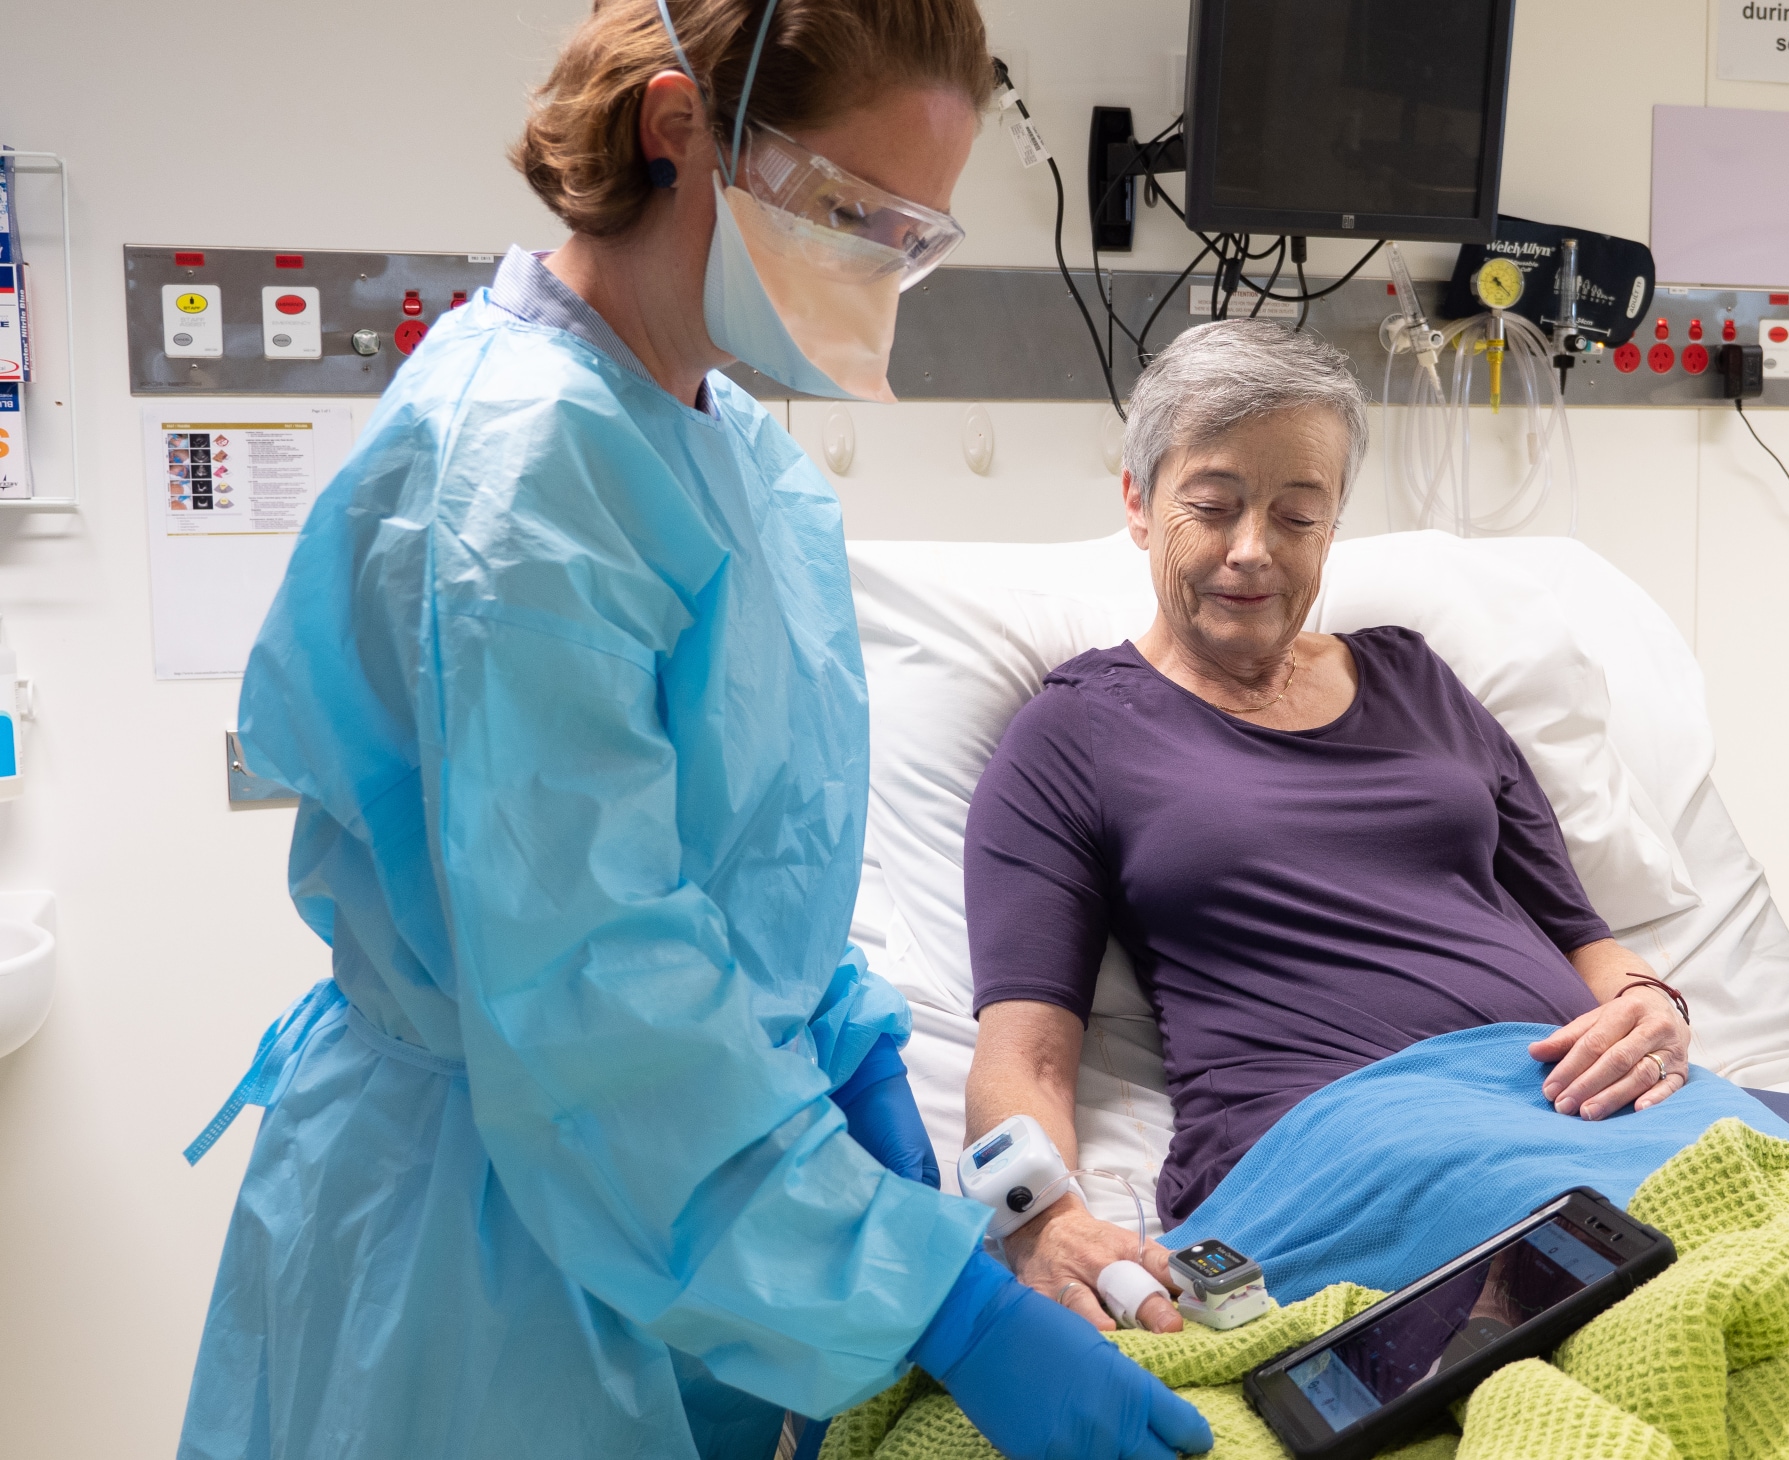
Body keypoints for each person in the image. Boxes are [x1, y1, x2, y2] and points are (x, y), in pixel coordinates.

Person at [175, 4, 1210, 1459]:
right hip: (488, 1252)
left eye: (916, 233)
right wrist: (944, 1312)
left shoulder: (730, 456)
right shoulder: (523, 474)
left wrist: (861, 1083)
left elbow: (761, 870)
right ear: (678, 132)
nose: (882, 267)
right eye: (856, 211)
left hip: (689, 1190)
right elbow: (596, 999)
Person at [963, 319, 1695, 1333]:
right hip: (1352, 1140)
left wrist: (1656, 1009)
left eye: (1297, 514)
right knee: (1639, 1315)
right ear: (1138, 502)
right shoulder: (1075, 734)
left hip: (1591, 1102)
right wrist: (1038, 1216)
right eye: (1212, 507)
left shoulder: (1418, 680)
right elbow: (1025, 1056)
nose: (1251, 551)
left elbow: (1583, 934)